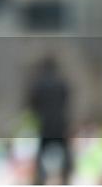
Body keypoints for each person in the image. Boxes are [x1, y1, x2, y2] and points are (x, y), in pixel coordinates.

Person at [27, 56, 73, 184]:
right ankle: (66, 178)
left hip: (45, 124)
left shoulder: (38, 84)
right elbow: (66, 100)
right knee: (65, 150)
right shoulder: (62, 83)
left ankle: (39, 179)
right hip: (60, 124)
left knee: (42, 151)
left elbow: (32, 103)